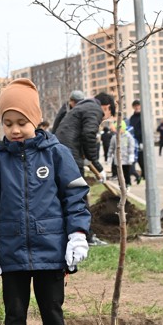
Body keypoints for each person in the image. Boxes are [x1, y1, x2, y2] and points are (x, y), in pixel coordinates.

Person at [0, 79, 91, 325]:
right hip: (12, 253)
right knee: (15, 311)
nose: (15, 129)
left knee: (52, 308)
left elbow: (75, 198)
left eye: (22, 122)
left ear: (36, 120)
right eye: (8, 123)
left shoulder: (56, 155)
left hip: (50, 250)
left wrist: (77, 234)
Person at [54, 91, 115, 247]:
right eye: (105, 117)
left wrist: (86, 158)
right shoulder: (94, 109)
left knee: (67, 195)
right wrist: (98, 165)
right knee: (78, 195)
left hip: (63, 153)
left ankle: (69, 234)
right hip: (69, 155)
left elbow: (79, 134)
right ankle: (86, 236)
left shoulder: (82, 108)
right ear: (106, 107)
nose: (102, 119)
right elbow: (88, 134)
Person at [108, 121, 136, 186]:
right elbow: (111, 147)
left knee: (126, 173)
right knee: (120, 174)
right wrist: (109, 156)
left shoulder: (128, 136)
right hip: (118, 160)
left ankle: (128, 184)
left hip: (126, 160)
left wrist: (131, 155)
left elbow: (131, 146)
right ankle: (121, 185)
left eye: (117, 128)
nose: (116, 130)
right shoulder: (114, 137)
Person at [128, 99, 145, 178]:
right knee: (136, 159)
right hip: (135, 141)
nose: (137, 107)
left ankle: (145, 175)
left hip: (143, 141)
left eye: (138, 105)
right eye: (135, 106)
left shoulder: (144, 116)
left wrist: (143, 142)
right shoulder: (132, 118)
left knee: (142, 159)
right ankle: (141, 175)